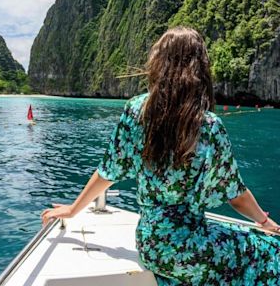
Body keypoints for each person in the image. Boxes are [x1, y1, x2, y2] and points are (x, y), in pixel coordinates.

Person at [41, 27, 280, 285]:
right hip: (192, 242)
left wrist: (73, 209)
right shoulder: (209, 126)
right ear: (199, 68)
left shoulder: (136, 111)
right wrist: (265, 221)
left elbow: (108, 172)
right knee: (269, 250)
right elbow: (236, 195)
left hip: (151, 246)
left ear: (159, 63)